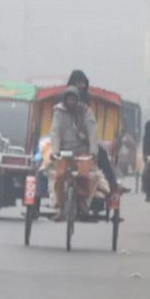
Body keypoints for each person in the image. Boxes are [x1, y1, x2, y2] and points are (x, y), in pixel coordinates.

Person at [49, 86, 100, 221]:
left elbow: (92, 132)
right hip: (64, 151)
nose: (71, 102)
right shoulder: (58, 111)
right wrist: (55, 151)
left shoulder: (85, 111)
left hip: (82, 150)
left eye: (74, 99)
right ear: (65, 99)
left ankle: (82, 202)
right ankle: (60, 207)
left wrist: (93, 151)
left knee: (83, 175)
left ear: (78, 100)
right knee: (60, 177)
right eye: (69, 99)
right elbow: (55, 132)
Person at [65, 69, 120, 192]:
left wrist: (90, 142)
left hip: (83, 141)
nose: (81, 86)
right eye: (78, 83)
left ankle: (113, 185)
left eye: (83, 83)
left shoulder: (86, 101)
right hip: (65, 142)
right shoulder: (60, 103)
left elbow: (90, 125)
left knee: (101, 156)